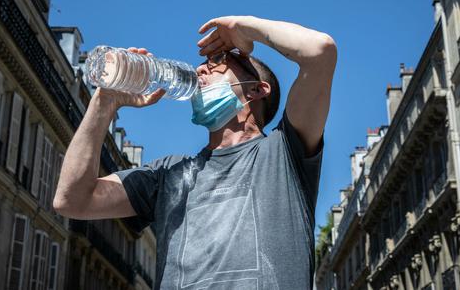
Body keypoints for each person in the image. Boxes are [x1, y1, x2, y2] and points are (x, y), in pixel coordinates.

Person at [53, 15, 337, 289]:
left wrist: (244, 28)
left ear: (255, 90)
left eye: (218, 63)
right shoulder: (166, 174)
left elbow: (319, 50)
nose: (201, 69)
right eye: (203, 64)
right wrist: (105, 102)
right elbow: (72, 200)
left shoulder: (284, 151)